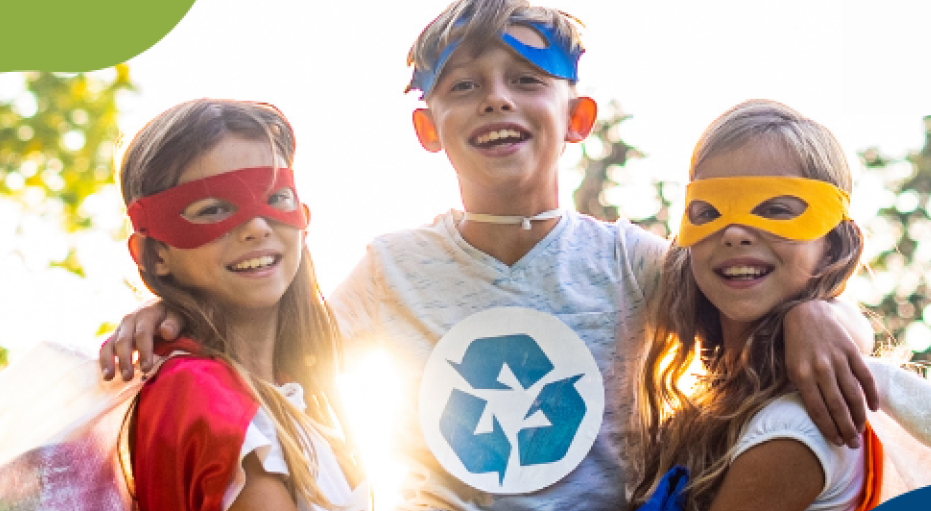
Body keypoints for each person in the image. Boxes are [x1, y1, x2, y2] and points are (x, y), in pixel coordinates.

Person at [100, 2, 878, 510]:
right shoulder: (385, 268)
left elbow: (752, 297)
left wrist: (824, 312)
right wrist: (175, 309)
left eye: (526, 80)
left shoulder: (637, 261)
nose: (496, 99)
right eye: (465, 86)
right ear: (429, 129)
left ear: (575, 116)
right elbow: (274, 333)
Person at [628, 99, 931, 511]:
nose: (733, 232)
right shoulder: (723, 403)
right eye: (709, 211)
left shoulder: (796, 426)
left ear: (833, 244)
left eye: (776, 210)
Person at [117, 99, 368, 511]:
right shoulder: (209, 396)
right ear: (154, 252)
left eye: (276, 197)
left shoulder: (291, 397)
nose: (256, 226)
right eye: (213, 208)